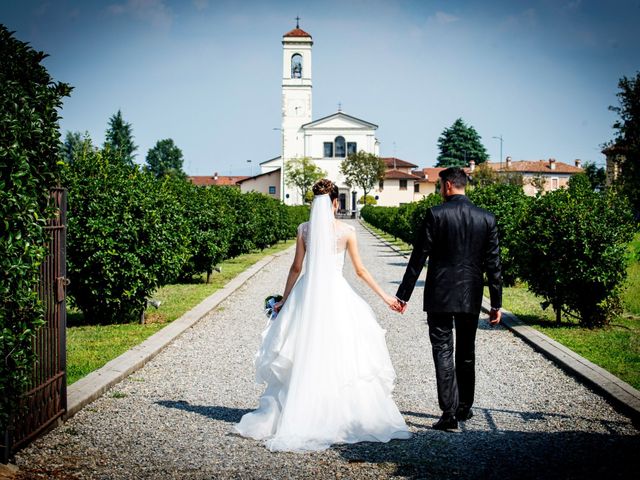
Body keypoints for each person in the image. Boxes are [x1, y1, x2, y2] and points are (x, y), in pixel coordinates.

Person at [235, 179, 411, 451]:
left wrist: (284, 299)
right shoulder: (347, 231)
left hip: (306, 294)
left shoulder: (304, 230)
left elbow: (296, 268)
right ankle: (340, 413)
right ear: (336, 203)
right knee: (341, 351)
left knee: (303, 348)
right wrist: (386, 297)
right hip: (336, 294)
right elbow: (361, 271)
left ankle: (298, 409)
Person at [391, 167, 502, 431]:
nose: (441, 190)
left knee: (443, 349)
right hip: (471, 293)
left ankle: (449, 414)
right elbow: (494, 264)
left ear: (449, 186)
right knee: (466, 350)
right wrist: (496, 303)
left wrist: (403, 295)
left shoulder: (436, 214)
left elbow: (419, 257)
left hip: (440, 293)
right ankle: (465, 407)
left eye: (441, 185)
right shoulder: (486, 218)